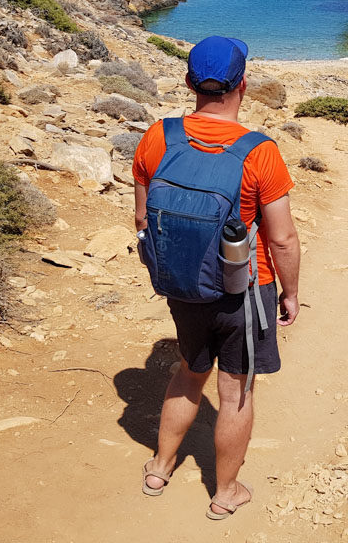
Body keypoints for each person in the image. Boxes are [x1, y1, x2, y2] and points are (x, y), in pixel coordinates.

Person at [131, 36, 301, 520]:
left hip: (182, 286)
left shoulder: (158, 136)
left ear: (189, 83)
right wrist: (290, 293)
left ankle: (159, 468)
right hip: (244, 290)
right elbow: (283, 239)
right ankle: (225, 492)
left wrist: (173, 272)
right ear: (242, 84)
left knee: (188, 371)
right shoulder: (260, 152)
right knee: (236, 391)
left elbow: (143, 219)